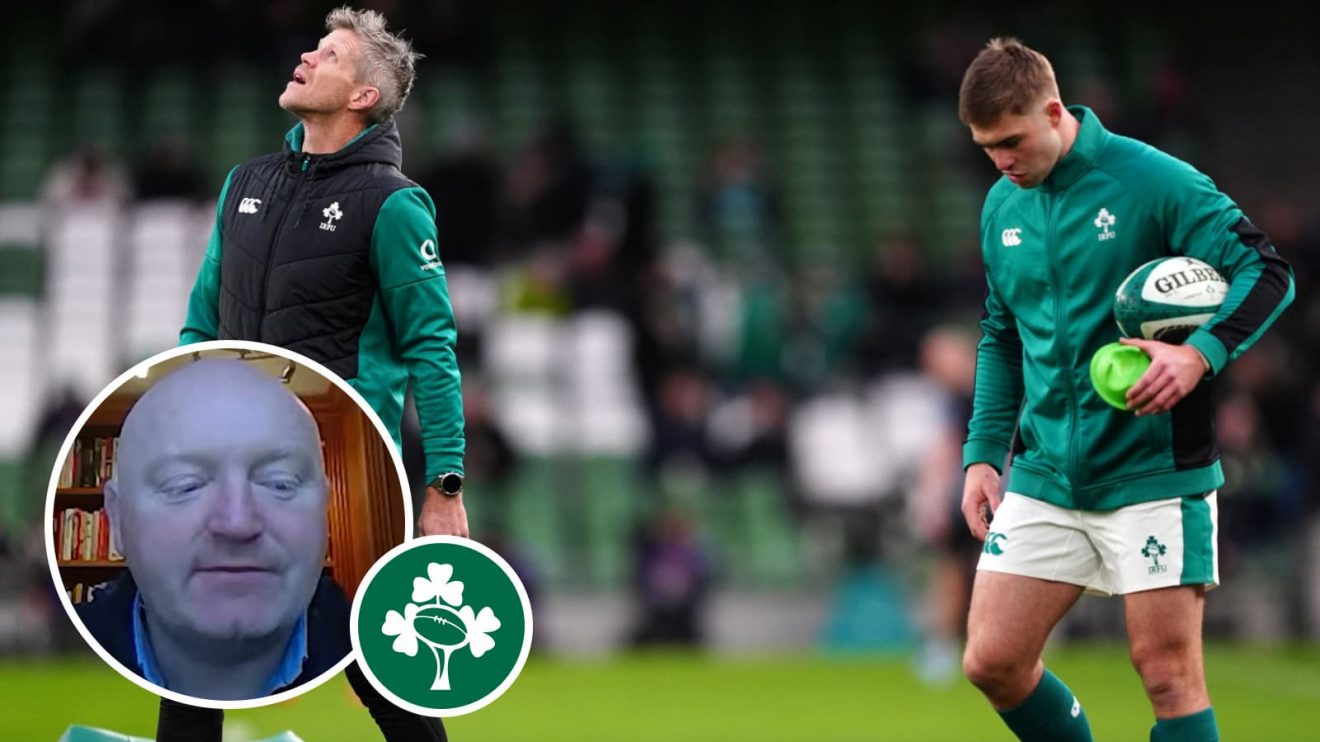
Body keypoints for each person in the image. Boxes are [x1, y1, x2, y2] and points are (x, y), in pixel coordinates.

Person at [956, 38, 1294, 742]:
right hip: (1047, 472)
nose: (1001, 161)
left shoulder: (1154, 180)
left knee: (1168, 677)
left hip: (1155, 470)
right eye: (987, 148)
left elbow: (1266, 272)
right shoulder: (1001, 206)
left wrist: (1199, 356)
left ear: (1054, 111)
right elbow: (1002, 334)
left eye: (1012, 141)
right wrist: (984, 456)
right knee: (993, 661)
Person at [175, 7, 461, 740]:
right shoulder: (245, 182)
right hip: (237, 467)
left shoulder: (394, 204)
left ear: (363, 95)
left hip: (343, 475)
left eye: (329, 54)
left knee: (381, 673)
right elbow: (200, 326)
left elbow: (433, 348)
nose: (305, 56)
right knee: (190, 665)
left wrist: (444, 487)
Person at [77, 359, 348, 701]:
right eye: (184, 485)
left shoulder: (395, 661)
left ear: (323, 509)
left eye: (280, 483)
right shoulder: (41, 672)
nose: (237, 522)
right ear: (116, 519)